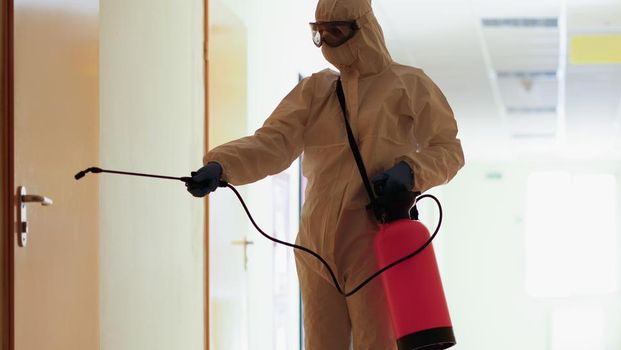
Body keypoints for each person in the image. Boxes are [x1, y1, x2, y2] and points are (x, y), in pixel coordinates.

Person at [187, 0, 464, 348]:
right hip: (315, 243)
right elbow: (273, 142)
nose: (329, 41)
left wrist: (411, 171)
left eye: (337, 31)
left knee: (377, 343)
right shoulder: (316, 91)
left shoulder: (409, 85)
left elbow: (449, 150)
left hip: (374, 239)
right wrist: (222, 165)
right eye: (321, 33)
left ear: (362, 28)